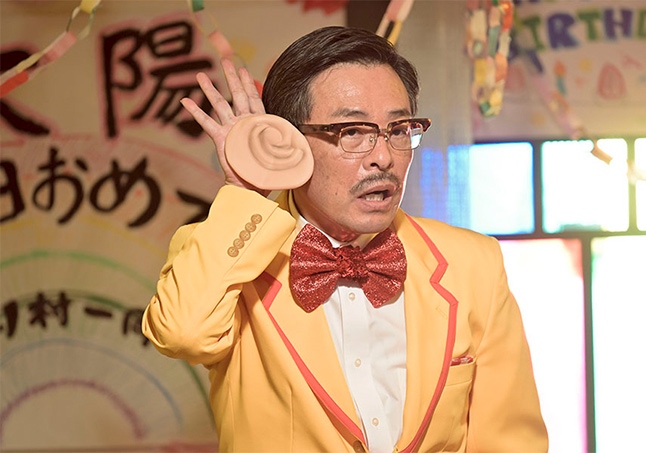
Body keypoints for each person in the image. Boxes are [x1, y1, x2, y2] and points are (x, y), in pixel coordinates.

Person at [142, 26, 548, 453]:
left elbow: (511, 441)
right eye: (352, 131)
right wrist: (248, 189)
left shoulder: (473, 263)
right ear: (291, 141)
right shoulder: (235, 257)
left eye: (399, 129)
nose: (384, 156)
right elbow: (181, 334)